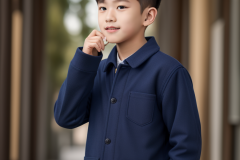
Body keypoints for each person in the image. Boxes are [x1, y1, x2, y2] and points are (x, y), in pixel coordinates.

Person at [54, 0, 202, 159]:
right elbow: (65, 118)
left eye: (121, 7)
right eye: (103, 8)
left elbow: (186, 148)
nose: (109, 17)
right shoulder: (96, 71)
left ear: (148, 16)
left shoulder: (170, 73)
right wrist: (84, 61)